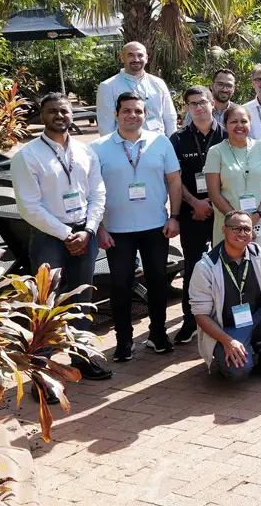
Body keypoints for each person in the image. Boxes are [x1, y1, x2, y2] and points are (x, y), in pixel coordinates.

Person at [11, 93, 112, 383]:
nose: (59, 115)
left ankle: (81, 359)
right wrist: (68, 234)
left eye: (64, 111)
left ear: (71, 115)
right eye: (52, 111)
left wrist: (89, 229)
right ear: (42, 116)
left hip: (84, 232)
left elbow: (98, 193)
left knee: (83, 299)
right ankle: (41, 374)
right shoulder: (27, 156)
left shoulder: (85, 151)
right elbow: (28, 207)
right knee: (46, 304)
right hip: (50, 237)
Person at [92, 93, 182, 361]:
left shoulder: (161, 142)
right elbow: (91, 191)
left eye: (138, 111)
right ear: (116, 114)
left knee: (157, 282)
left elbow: (175, 182)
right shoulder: (98, 147)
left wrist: (174, 215)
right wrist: (99, 228)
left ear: (146, 114)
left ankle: (157, 334)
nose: (133, 115)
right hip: (116, 230)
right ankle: (123, 340)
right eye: (127, 111)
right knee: (120, 285)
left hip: (156, 226)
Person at [189, 211, 261, 382]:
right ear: (224, 230)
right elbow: (200, 315)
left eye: (247, 229)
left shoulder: (260, 254)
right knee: (238, 373)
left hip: (256, 318)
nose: (242, 233)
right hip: (226, 329)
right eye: (236, 228)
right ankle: (230, 353)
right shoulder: (205, 267)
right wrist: (227, 341)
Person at [170, 86, 228, 344]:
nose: (198, 107)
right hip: (192, 213)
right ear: (186, 108)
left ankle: (224, 317)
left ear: (213, 103)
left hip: (224, 213)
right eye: (192, 103)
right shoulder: (178, 139)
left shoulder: (228, 134)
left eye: (202, 102)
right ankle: (190, 320)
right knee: (193, 267)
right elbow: (173, 179)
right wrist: (196, 203)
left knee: (226, 264)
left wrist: (215, 205)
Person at [204, 105, 261, 259]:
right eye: (233, 122)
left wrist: (258, 214)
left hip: (259, 220)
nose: (239, 126)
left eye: (244, 121)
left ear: (250, 124)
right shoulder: (216, 152)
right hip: (228, 222)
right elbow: (213, 192)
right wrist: (236, 221)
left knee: (260, 265)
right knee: (229, 266)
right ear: (225, 125)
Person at [96, 42, 177, 137]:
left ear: (146, 58)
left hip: (157, 143)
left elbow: (169, 117)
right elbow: (106, 124)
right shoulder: (108, 86)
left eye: (140, 55)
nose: (136, 59)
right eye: (131, 55)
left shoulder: (158, 83)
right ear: (122, 58)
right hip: (126, 146)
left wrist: (172, 143)